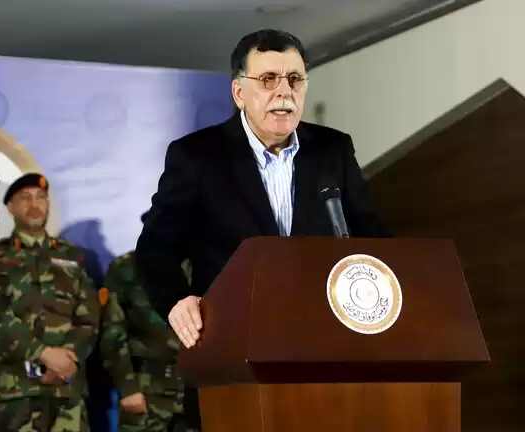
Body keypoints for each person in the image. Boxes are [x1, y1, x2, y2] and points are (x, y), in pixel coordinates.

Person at [135, 29, 389, 428]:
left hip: (324, 354)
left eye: (294, 79)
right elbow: (155, 249)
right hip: (234, 356)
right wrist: (176, 300)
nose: (283, 92)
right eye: (268, 79)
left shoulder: (333, 150)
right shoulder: (197, 156)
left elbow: (374, 240)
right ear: (239, 93)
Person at [0, 172, 100, 431]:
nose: (34, 204)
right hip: (17, 391)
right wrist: (43, 354)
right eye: (25, 198)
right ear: (10, 207)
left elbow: (90, 315)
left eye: (41, 197)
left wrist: (68, 359)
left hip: (69, 388)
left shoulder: (71, 256)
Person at [99, 212, 192, 432]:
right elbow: (112, 331)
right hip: (147, 392)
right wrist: (127, 387)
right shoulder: (126, 268)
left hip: (197, 392)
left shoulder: (207, 266)